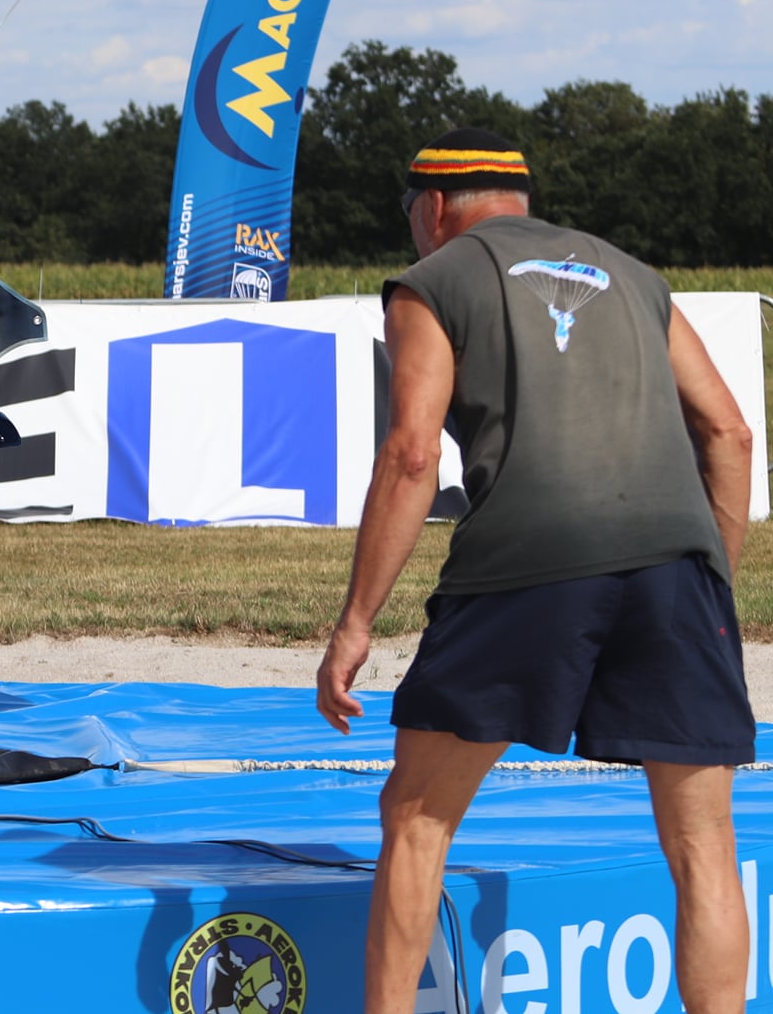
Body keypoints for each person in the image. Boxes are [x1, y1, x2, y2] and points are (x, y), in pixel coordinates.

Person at [316, 127, 757, 1013]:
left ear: (434, 206)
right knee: (704, 842)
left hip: (526, 560)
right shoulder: (632, 273)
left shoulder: (434, 281)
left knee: (417, 816)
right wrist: (710, 577)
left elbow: (410, 455)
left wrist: (355, 622)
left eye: (409, 212)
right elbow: (731, 432)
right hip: (676, 567)